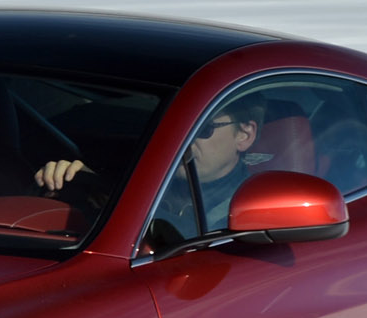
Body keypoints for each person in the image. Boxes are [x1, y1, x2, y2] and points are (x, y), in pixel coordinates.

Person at [35, 99, 263, 242]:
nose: (181, 140)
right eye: (172, 127)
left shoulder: (249, 209)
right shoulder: (136, 178)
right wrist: (69, 185)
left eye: (203, 128)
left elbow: (178, 240)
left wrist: (112, 202)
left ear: (244, 135)